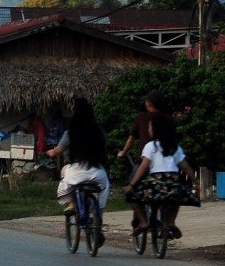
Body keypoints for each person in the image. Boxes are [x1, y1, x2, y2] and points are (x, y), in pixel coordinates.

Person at [47, 97, 112, 239]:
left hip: (76, 172)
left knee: (65, 173)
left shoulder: (71, 132)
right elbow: (106, 147)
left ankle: (71, 204)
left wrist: (50, 152)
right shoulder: (99, 131)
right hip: (97, 172)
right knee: (105, 186)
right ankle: (98, 219)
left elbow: (58, 150)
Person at [123, 110, 190, 238]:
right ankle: (171, 222)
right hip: (173, 184)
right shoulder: (175, 147)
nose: (148, 130)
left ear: (155, 130)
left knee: (130, 196)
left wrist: (131, 185)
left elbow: (143, 167)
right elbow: (185, 167)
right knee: (178, 198)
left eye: (149, 127)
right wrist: (196, 183)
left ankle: (143, 223)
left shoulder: (150, 146)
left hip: (155, 185)